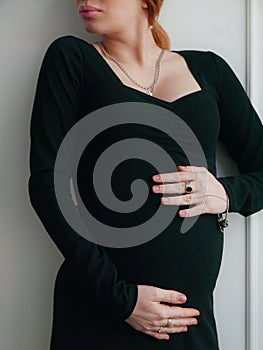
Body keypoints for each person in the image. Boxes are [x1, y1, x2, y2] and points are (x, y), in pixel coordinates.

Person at [28, 0, 263, 349]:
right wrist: (120, 299)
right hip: (101, 312)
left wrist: (226, 193)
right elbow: (47, 183)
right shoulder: (73, 59)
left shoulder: (209, 70)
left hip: (188, 322)